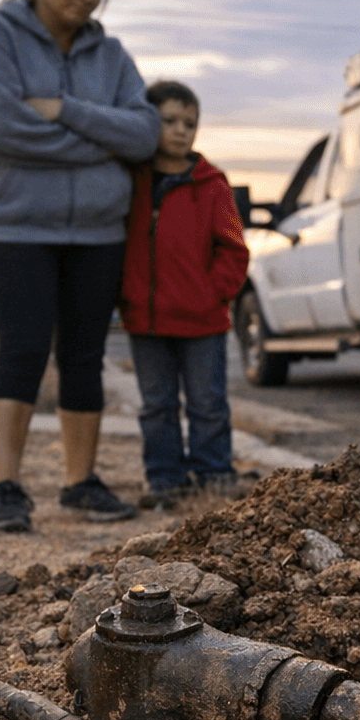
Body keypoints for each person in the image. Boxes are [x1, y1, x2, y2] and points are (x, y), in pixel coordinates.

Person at [0, 0, 158, 532]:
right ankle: (3, 489)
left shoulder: (112, 55)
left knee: (84, 357)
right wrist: (103, 145)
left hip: (97, 232)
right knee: (22, 350)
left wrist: (65, 110)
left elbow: (145, 134)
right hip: (12, 224)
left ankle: (80, 484)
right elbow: (2, 130)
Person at [117, 81, 251, 509]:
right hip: (146, 319)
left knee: (208, 403)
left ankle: (214, 474)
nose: (180, 131)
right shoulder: (130, 180)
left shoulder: (212, 184)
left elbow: (234, 248)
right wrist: (125, 294)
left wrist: (213, 294)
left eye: (189, 124)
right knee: (156, 406)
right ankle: (165, 480)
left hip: (203, 320)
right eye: (169, 121)